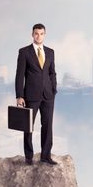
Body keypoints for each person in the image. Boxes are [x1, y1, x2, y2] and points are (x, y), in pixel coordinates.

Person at [15, 23, 58, 165]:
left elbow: (52, 72)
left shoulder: (50, 52)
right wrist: (19, 95)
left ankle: (45, 155)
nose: (39, 36)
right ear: (32, 35)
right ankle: (29, 157)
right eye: (36, 33)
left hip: (48, 96)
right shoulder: (24, 52)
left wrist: (53, 89)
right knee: (28, 127)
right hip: (31, 95)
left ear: (44, 35)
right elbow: (19, 75)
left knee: (47, 126)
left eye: (41, 33)